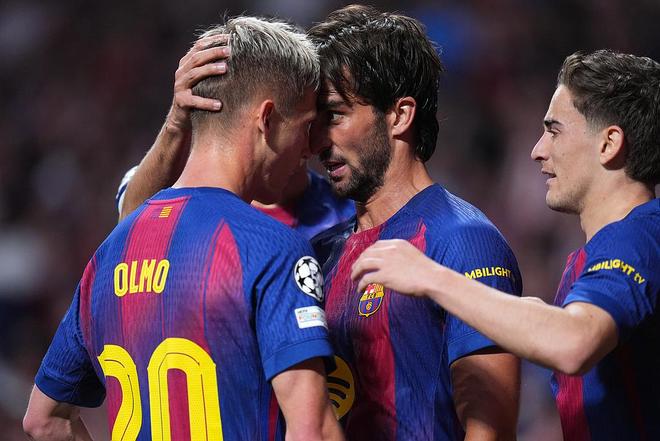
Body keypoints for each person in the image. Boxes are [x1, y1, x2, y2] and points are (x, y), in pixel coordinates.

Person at [23, 17, 344, 441]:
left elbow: (44, 420)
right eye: (304, 127)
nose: (309, 148)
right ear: (266, 119)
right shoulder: (271, 247)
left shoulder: (105, 258)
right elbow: (312, 430)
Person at [351, 49, 660, 441]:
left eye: (554, 131)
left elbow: (575, 341)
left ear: (609, 143)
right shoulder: (591, 258)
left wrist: (432, 277)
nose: (537, 150)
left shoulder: (640, 235)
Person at [307, 5, 521, 440]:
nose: (318, 141)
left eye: (335, 115)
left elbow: (490, 430)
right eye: (315, 120)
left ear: (400, 115)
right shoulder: (321, 253)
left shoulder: (463, 241)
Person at [116, 37, 354, 239]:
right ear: (266, 119)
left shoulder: (349, 216)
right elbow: (128, 230)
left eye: (313, 122)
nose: (312, 147)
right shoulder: (181, 179)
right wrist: (176, 123)